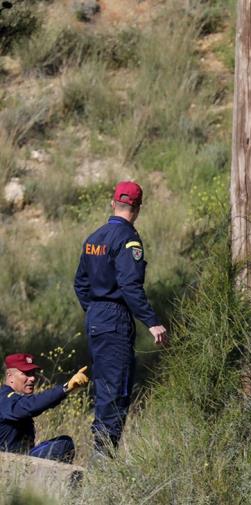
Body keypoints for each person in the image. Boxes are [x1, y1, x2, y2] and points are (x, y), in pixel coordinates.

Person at [73, 181, 168, 455]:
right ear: (137, 208)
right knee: (116, 389)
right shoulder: (128, 240)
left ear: (113, 203)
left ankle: (100, 453)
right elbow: (130, 286)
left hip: (96, 318)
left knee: (104, 385)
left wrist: (95, 311)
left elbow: (80, 283)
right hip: (115, 319)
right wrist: (152, 321)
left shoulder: (93, 239)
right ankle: (103, 457)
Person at [0, 353, 89, 463]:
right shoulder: (4, 399)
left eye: (33, 373)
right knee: (63, 445)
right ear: (10, 376)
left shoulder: (14, 399)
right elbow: (32, 405)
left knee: (64, 442)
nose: (32, 378)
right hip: (9, 464)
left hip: (18, 461)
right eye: (26, 373)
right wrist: (65, 388)